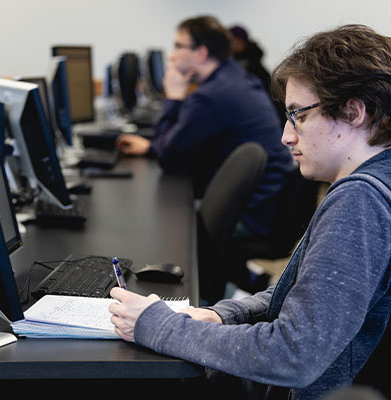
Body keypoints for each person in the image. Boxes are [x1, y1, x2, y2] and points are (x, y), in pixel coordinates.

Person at [109, 24, 391, 400]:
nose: (286, 136)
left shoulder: (361, 200)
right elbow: (306, 299)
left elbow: (293, 354)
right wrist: (224, 315)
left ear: (354, 112)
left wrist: (157, 326)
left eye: (299, 116)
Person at [116, 15, 293, 242]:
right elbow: (181, 141)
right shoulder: (235, 78)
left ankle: (222, 273)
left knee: (156, 226)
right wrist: (153, 146)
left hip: (248, 215)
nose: (172, 55)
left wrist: (173, 97)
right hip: (269, 205)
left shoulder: (211, 97)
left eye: (179, 46)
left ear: (201, 53)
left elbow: (170, 158)